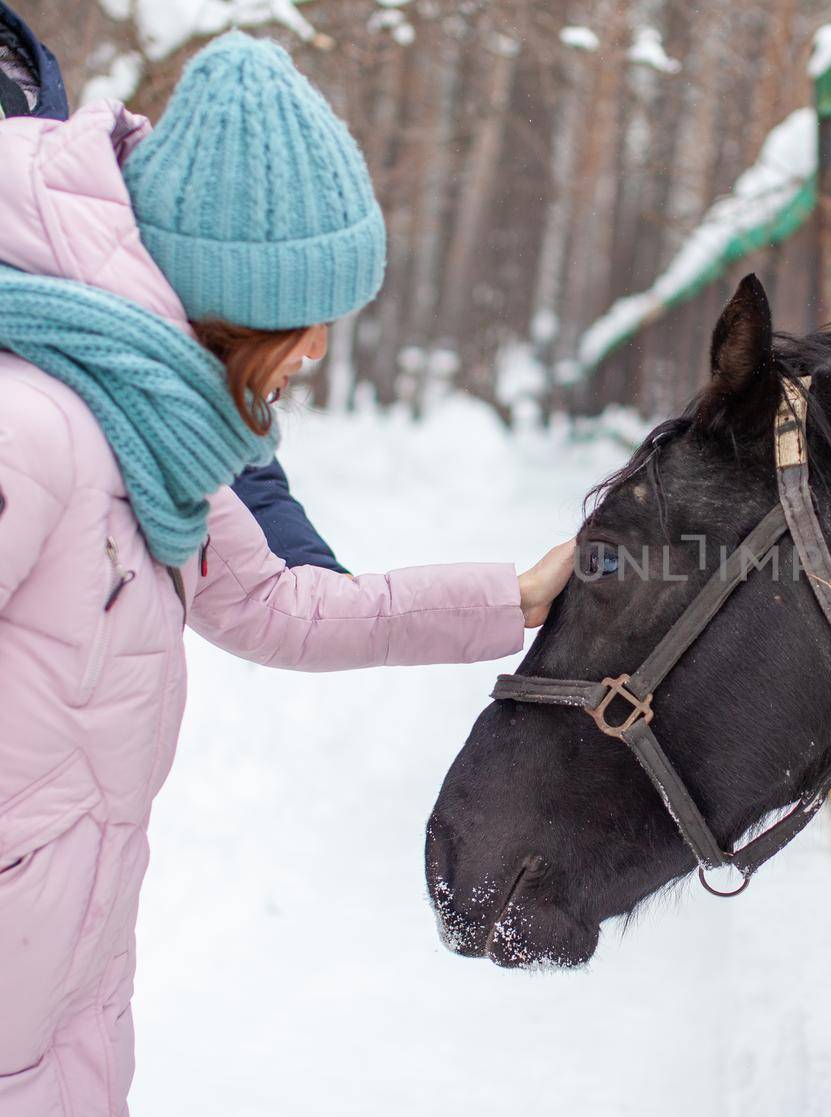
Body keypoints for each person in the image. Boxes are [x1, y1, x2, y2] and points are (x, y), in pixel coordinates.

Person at [0, 32, 574, 1117]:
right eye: (308, 324)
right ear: (232, 301)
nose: (316, 352)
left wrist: (515, 596)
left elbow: (272, 602)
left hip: (67, 993)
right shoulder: (33, 425)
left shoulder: (153, 423)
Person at [0, 0, 349, 572]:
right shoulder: (31, 421)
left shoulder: (111, 297)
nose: (314, 349)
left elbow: (198, 416)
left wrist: (316, 581)